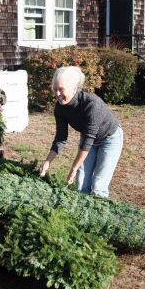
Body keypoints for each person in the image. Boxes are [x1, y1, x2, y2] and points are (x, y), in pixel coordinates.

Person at [39, 66, 123, 198]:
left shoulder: (92, 104)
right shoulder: (60, 107)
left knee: (98, 187)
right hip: (88, 139)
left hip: (109, 139)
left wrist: (74, 168)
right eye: (55, 89)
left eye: (61, 89)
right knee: (81, 186)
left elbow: (88, 139)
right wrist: (47, 162)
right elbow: (61, 137)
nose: (57, 94)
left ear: (74, 88)